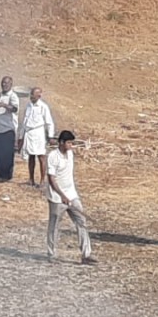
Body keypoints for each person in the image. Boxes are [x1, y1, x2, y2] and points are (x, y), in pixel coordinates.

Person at [46, 130, 97, 265]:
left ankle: (86, 254)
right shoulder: (52, 156)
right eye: (69, 143)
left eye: (72, 143)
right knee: (54, 225)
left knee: (81, 222)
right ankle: (51, 253)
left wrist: (69, 196)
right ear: (61, 143)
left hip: (72, 195)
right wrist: (61, 195)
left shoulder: (70, 154)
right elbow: (51, 179)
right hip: (57, 198)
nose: (71, 145)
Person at [19, 87, 55, 188]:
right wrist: (21, 136)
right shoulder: (29, 106)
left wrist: (50, 136)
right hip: (29, 133)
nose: (31, 97)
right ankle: (31, 179)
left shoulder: (43, 107)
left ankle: (42, 180)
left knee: (41, 157)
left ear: (39, 96)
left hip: (38, 133)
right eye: (30, 94)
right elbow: (25, 122)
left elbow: (49, 122)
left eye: (33, 95)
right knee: (31, 156)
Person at [0, 76, 19, 181]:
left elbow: (14, 108)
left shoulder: (13, 96)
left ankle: (6, 175)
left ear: (11, 84)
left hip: (7, 129)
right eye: (3, 83)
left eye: (6, 83)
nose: (4, 85)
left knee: (6, 153)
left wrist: (4, 105)